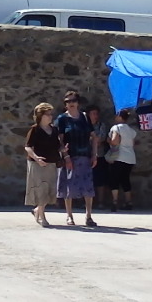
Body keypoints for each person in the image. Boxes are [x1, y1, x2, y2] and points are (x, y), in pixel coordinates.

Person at [53, 91, 99, 228]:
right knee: (69, 187)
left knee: (88, 187)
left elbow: (94, 137)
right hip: (70, 157)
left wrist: (94, 154)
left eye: (73, 100)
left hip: (85, 156)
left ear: (78, 102)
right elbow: (59, 140)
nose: (71, 103)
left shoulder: (84, 117)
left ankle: (88, 216)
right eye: (67, 101)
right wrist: (66, 157)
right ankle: (69, 215)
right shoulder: (62, 119)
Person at [23, 102, 61, 227]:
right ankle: (43, 217)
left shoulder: (54, 130)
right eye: (47, 114)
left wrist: (63, 149)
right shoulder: (35, 129)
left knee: (49, 190)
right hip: (37, 164)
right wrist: (36, 158)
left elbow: (57, 146)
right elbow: (28, 147)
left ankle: (37, 210)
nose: (50, 117)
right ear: (41, 116)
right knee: (41, 190)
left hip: (51, 162)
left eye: (51, 114)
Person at [105, 107, 138, 212]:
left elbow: (115, 141)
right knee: (125, 179)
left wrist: (108, 140)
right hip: (130, 158)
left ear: (119, 117)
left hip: (119, 157)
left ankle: (115, 201)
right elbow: (132, 144)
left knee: (114, 179)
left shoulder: (116, 128)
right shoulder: (132, 131)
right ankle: (128, 202)